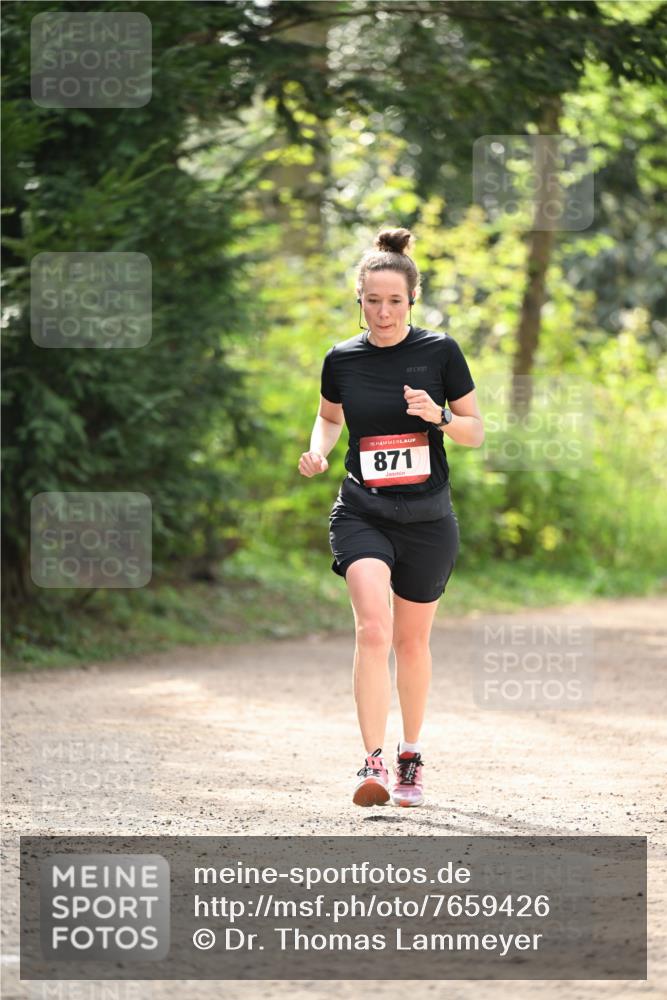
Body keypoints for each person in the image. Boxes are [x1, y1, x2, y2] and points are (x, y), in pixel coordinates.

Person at [298, 226, 484, 808]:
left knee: (411, 641)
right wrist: (321, 449)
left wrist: (439, 417)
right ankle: (371, 762)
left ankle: (410, 756)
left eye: (395, 301)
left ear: (411, 300)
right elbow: (329, 417)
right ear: (359, 299)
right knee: (373, 628)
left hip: (428, 517)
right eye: (372, 300)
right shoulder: (341, 359)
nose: (383, 311)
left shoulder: (441, 352)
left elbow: (476, 431)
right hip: (362, 510)